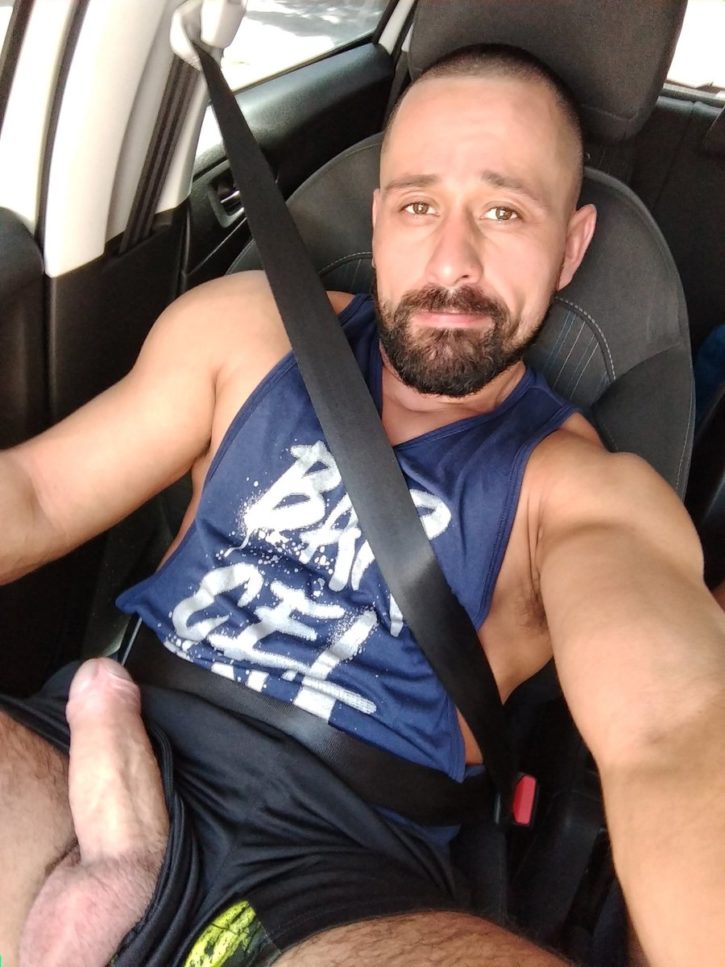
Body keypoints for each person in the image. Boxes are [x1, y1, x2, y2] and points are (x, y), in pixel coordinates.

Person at [1, 44, 724, 967]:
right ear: (379, 219)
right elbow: (34, 494)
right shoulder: (244, 332)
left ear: (571, 246)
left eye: (503, 211)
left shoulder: (581, 492)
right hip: (94, 751)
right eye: (419, 206)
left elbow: (671, 730)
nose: (451, 260)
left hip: (333, 882)